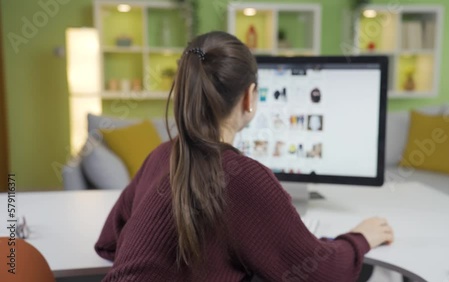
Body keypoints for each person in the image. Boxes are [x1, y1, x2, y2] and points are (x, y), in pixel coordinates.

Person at [94, 31, 394, 282]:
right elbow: (322, 272)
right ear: (250, 97)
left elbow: (109, 242)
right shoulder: (243, 177)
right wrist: (360, 237)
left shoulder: (161, 154)